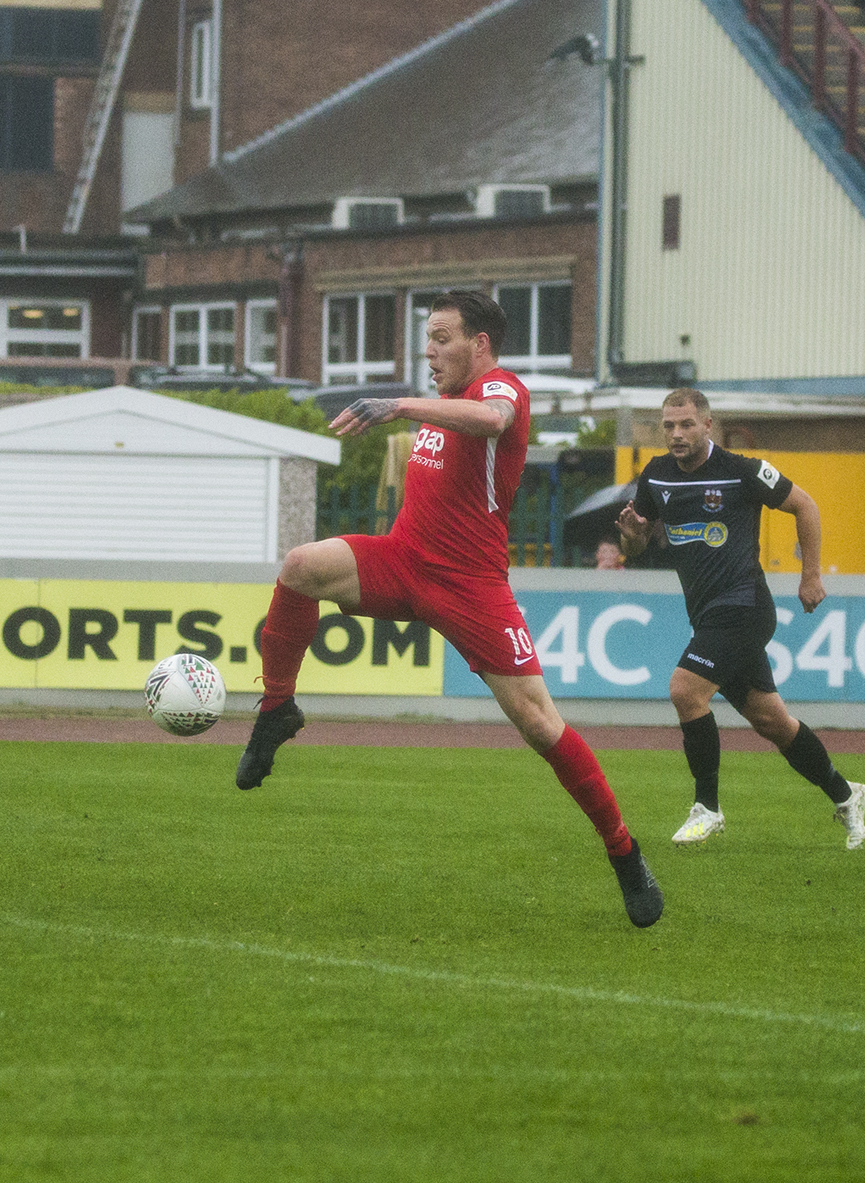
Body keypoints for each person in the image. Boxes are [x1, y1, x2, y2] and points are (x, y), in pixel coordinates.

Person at [236, 289, 664, 927]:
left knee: (541, 726)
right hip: (403, 560)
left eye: (441, 337)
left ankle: (624, 852)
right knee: (300, 566)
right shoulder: (443, 405)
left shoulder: (503, 391)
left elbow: (492, 423)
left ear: (479, 344)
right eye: (427, 339)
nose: (429, 351)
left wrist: (399, 406)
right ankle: (277, 709)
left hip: (470, 586)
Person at [615, 389, 862, 849]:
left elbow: (805, 506)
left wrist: (811, 577)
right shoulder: (655, 477)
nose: (676, 434)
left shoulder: (741, 471)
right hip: (707, 616)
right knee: (773, 722)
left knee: (685, 690)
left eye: (686, 424)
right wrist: (632, 537)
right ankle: (848, 795)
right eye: (668, 426)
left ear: (708, 425)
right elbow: (637, 547)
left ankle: (706, 808)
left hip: (745, 608)